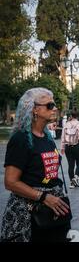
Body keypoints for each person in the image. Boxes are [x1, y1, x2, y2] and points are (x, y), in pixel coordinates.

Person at [0, 88, 71, 242]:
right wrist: (43, 197)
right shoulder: (21, 139)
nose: (55, 108)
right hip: (28, 215)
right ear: (34, 109)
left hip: (53, 211)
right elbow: (10, 182)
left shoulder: (47, 137)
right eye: (50, 105)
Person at [61, 109, 79, 189]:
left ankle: (72, 183)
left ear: (71, 116)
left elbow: (63, 137)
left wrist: (62, 147)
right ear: (78, 116)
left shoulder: (66, 124)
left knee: (71, 165)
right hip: (78, 146)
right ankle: (76, 177)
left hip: (68, 146)